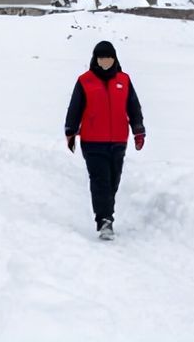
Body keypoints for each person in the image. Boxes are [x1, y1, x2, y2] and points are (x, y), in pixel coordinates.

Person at [64, 40, 146, 241]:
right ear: (95, 59)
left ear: (114, 58)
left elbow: (134, 107)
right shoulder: (85, 81)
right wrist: (70, 132)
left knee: (113, 180)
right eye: (101, 57)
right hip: (92, 141)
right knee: (100, 179)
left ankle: (106, 211)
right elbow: (75, 108)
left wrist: (138, 131)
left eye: (108, 57)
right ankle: (104, 220)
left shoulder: (124, 80)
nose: (105, 61)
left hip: (118, 140)